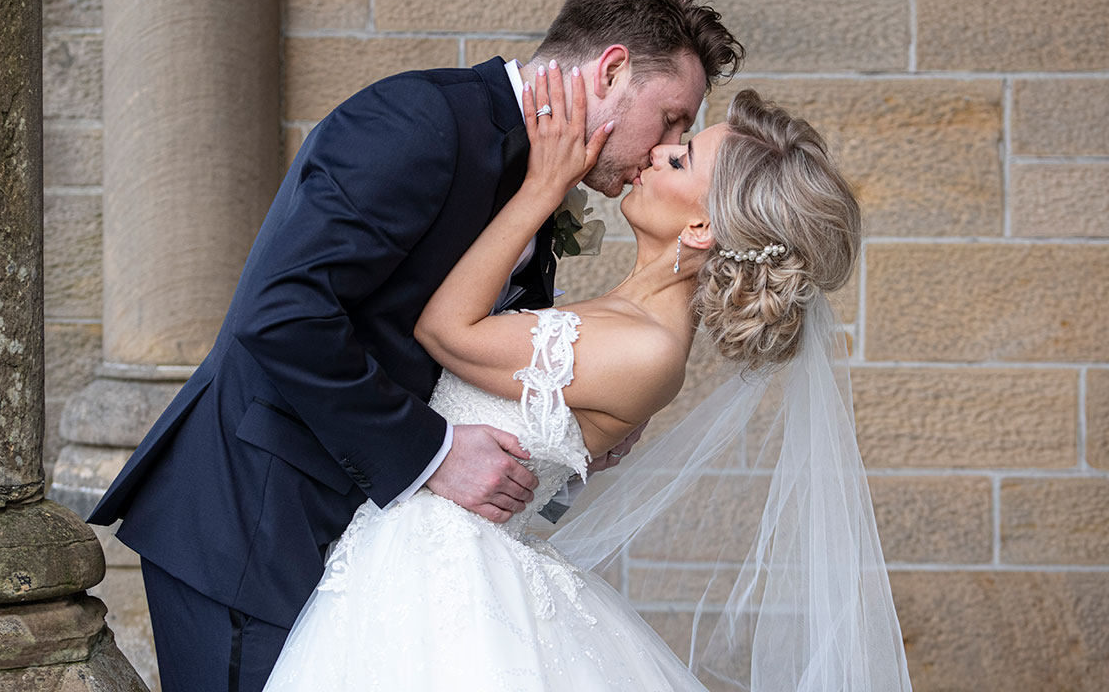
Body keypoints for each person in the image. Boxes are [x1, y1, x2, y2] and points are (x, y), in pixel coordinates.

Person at [87, 0, 743, 692]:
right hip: (254, 523)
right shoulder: (420, 121)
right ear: (612, 70)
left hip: (370, 552)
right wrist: (433, 454)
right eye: (673, 119)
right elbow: (282, 314)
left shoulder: (541, 178)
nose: (664, 147)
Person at [261, 79, 910, 690]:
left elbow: (445, 331)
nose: (657, 153)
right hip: (413, 563)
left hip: (451, 582)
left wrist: (543, 187)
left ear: (700, 229)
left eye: (679, 159)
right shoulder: (621, 319)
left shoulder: (646, 347)